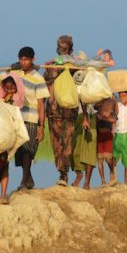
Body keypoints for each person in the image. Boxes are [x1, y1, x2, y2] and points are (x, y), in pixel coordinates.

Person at [44, 35, 80, 185]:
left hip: (69, 112)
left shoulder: (76, 67)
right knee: (56, 144)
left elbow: (81, 89)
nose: (63, 51)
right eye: (61, 48)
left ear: (70, 49)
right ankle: (62, 174)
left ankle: (66, 171)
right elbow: (45, 86)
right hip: (53, 112)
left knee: (68, 144)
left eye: (65, 48)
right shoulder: (51, 67)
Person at [15, 47, 49, 190]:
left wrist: (41, 126)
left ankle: (24, 181)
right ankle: (29, 180)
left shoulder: (38, 78)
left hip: (32, 118)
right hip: (17, 118)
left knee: (28, 150)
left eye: (26, 60)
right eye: (21, 59)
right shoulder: (16, 75)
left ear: (32, 60)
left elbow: (41, 103)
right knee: (20, 151)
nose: (23, 62)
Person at [94, 92, 118, 185]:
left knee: (108, 158)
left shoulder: (111, 112)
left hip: (108, 135)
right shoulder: (97, 114)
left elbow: (114, 119)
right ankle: (103, 180)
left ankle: (112, 171)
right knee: (100, 159)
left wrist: (103, 118)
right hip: (99, 135)